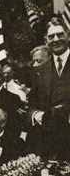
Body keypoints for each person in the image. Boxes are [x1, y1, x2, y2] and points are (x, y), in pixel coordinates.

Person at [28, 17, 70, 161]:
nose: (56, 39)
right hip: (50, 146)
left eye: (60, 34)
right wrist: (37, 116)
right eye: (51, 36)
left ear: (68, 35)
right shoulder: (39, 70)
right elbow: (31, 106)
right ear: (46, 41)